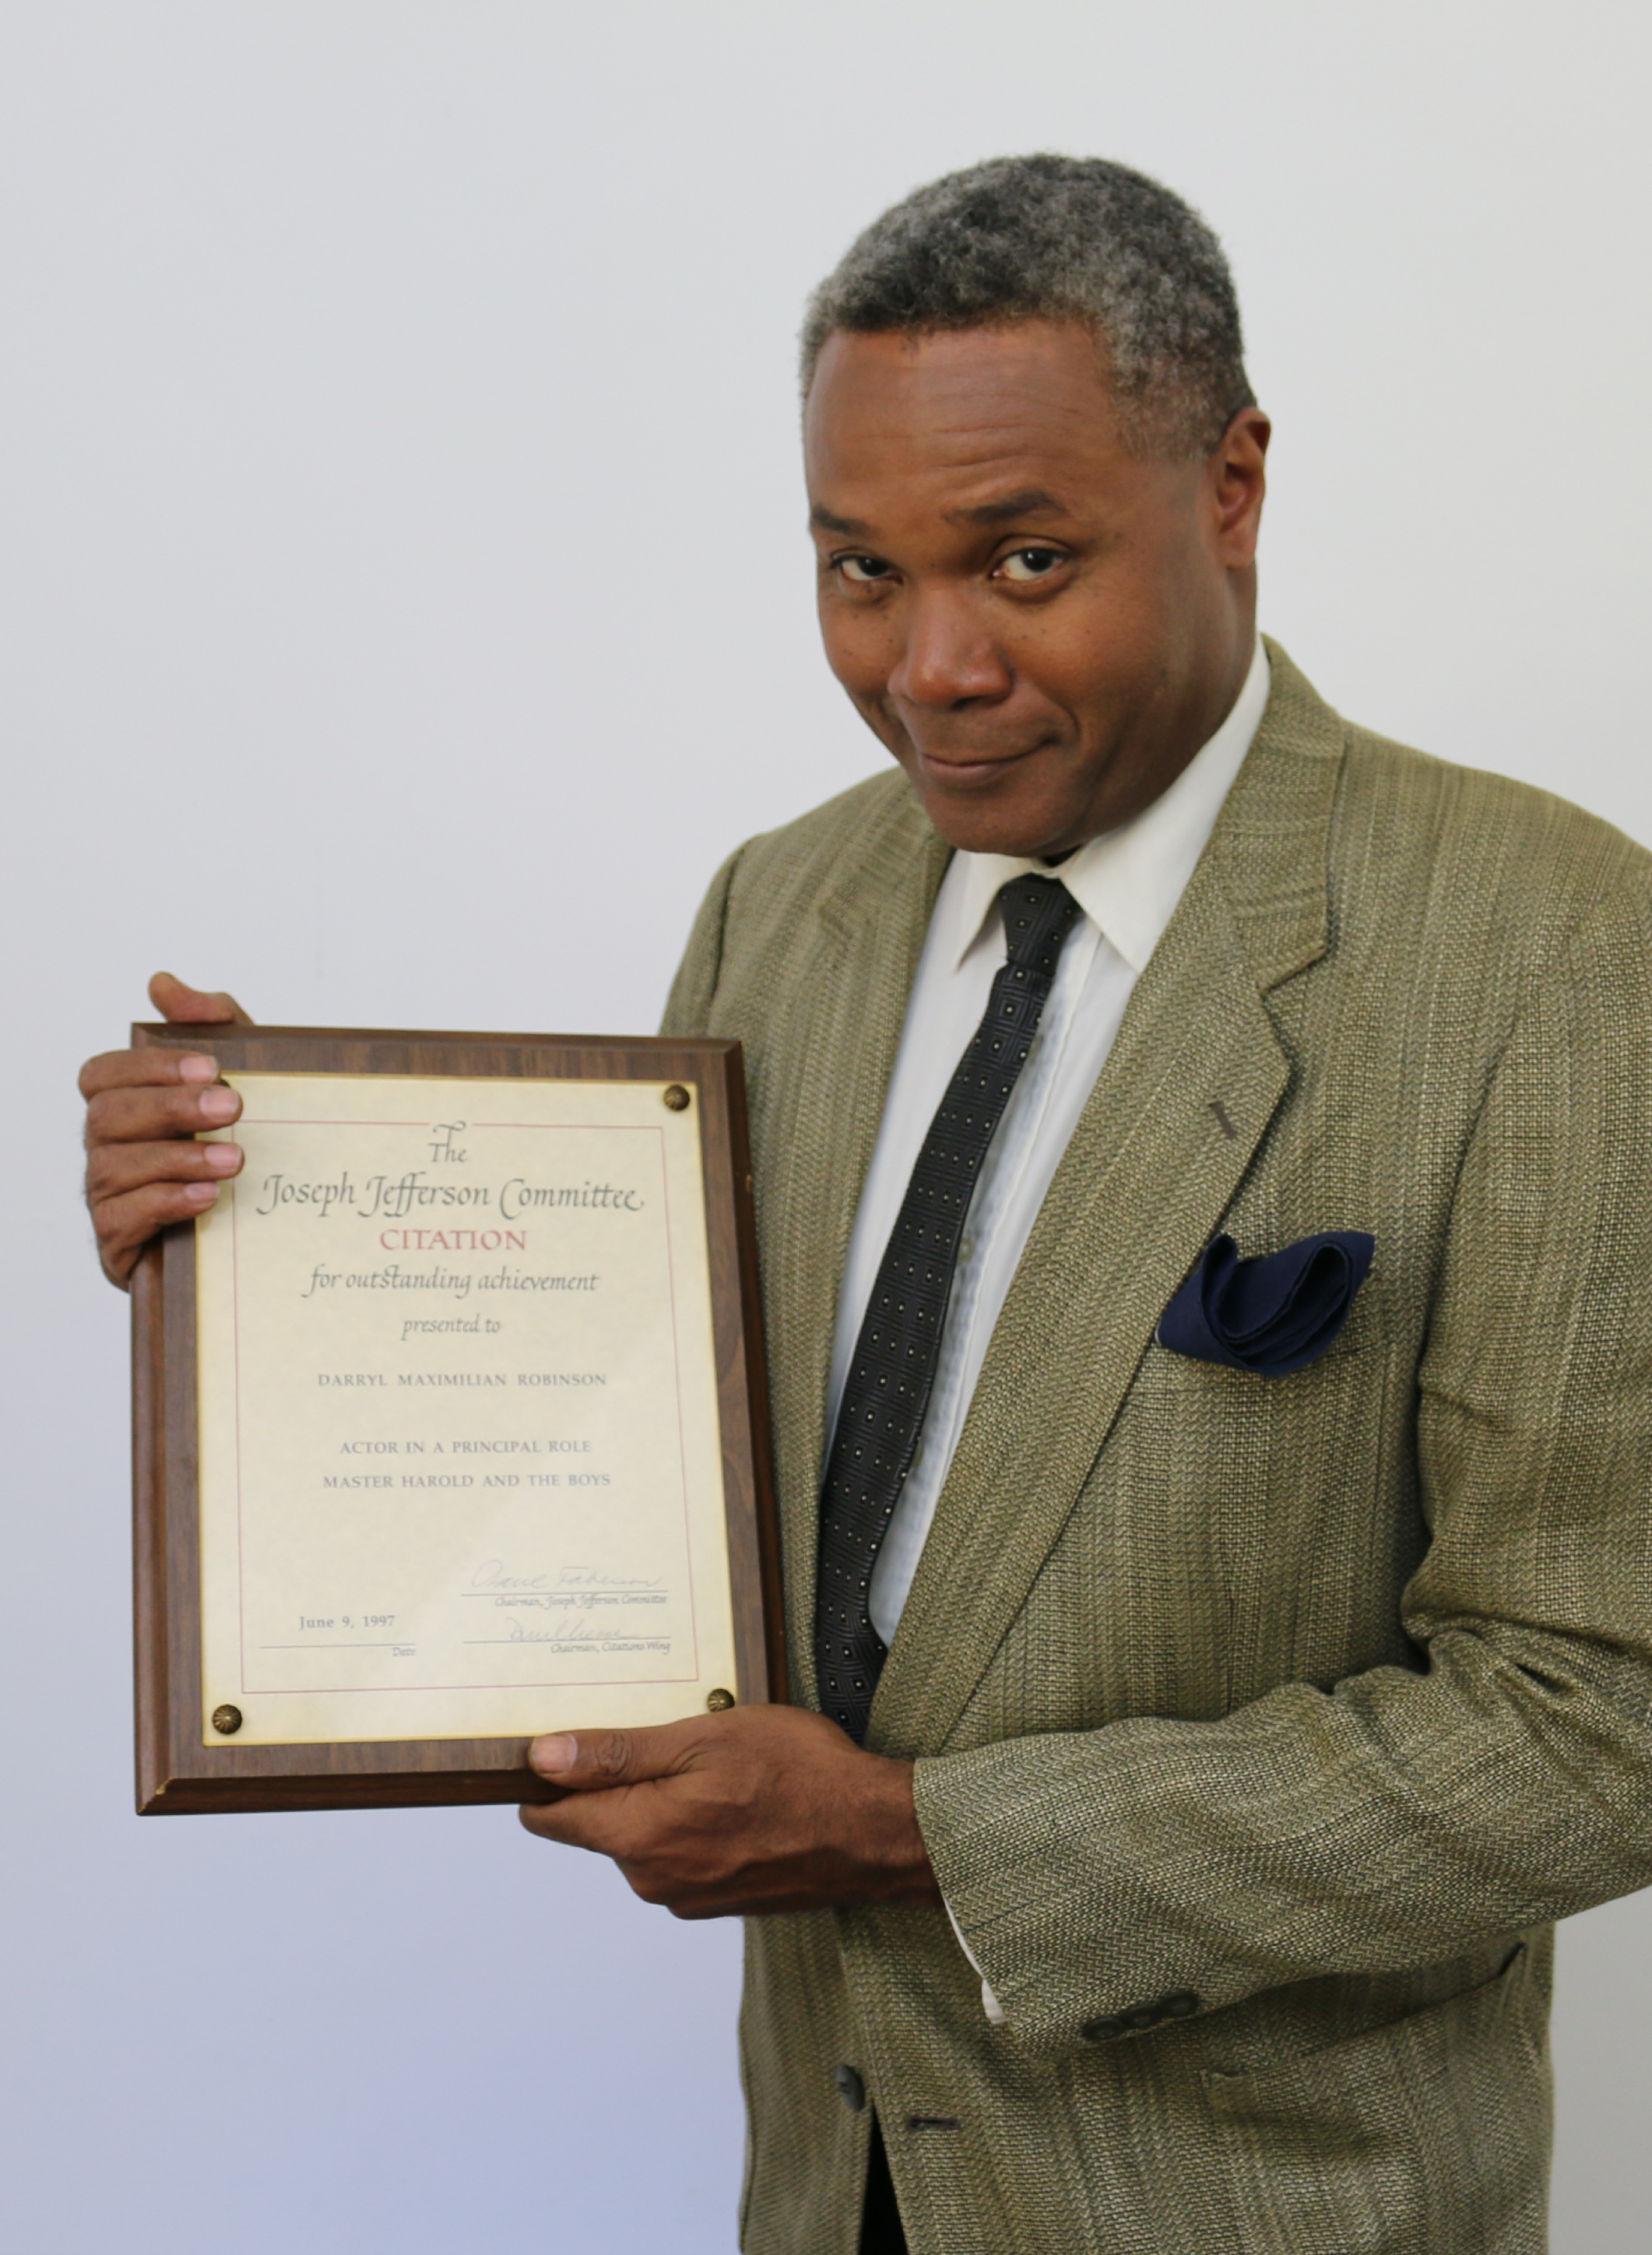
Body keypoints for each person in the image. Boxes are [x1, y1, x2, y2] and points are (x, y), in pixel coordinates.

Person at [79, 155, 1652, 2255]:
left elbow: (1595, 1723)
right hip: (826, 2176)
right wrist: (274, 1229)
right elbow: (636, 1448)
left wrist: (925, 1837)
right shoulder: (783, 909)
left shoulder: (1551, 948)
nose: (927, 667)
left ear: (1231, 487)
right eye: (853, 569)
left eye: (1020, 560)